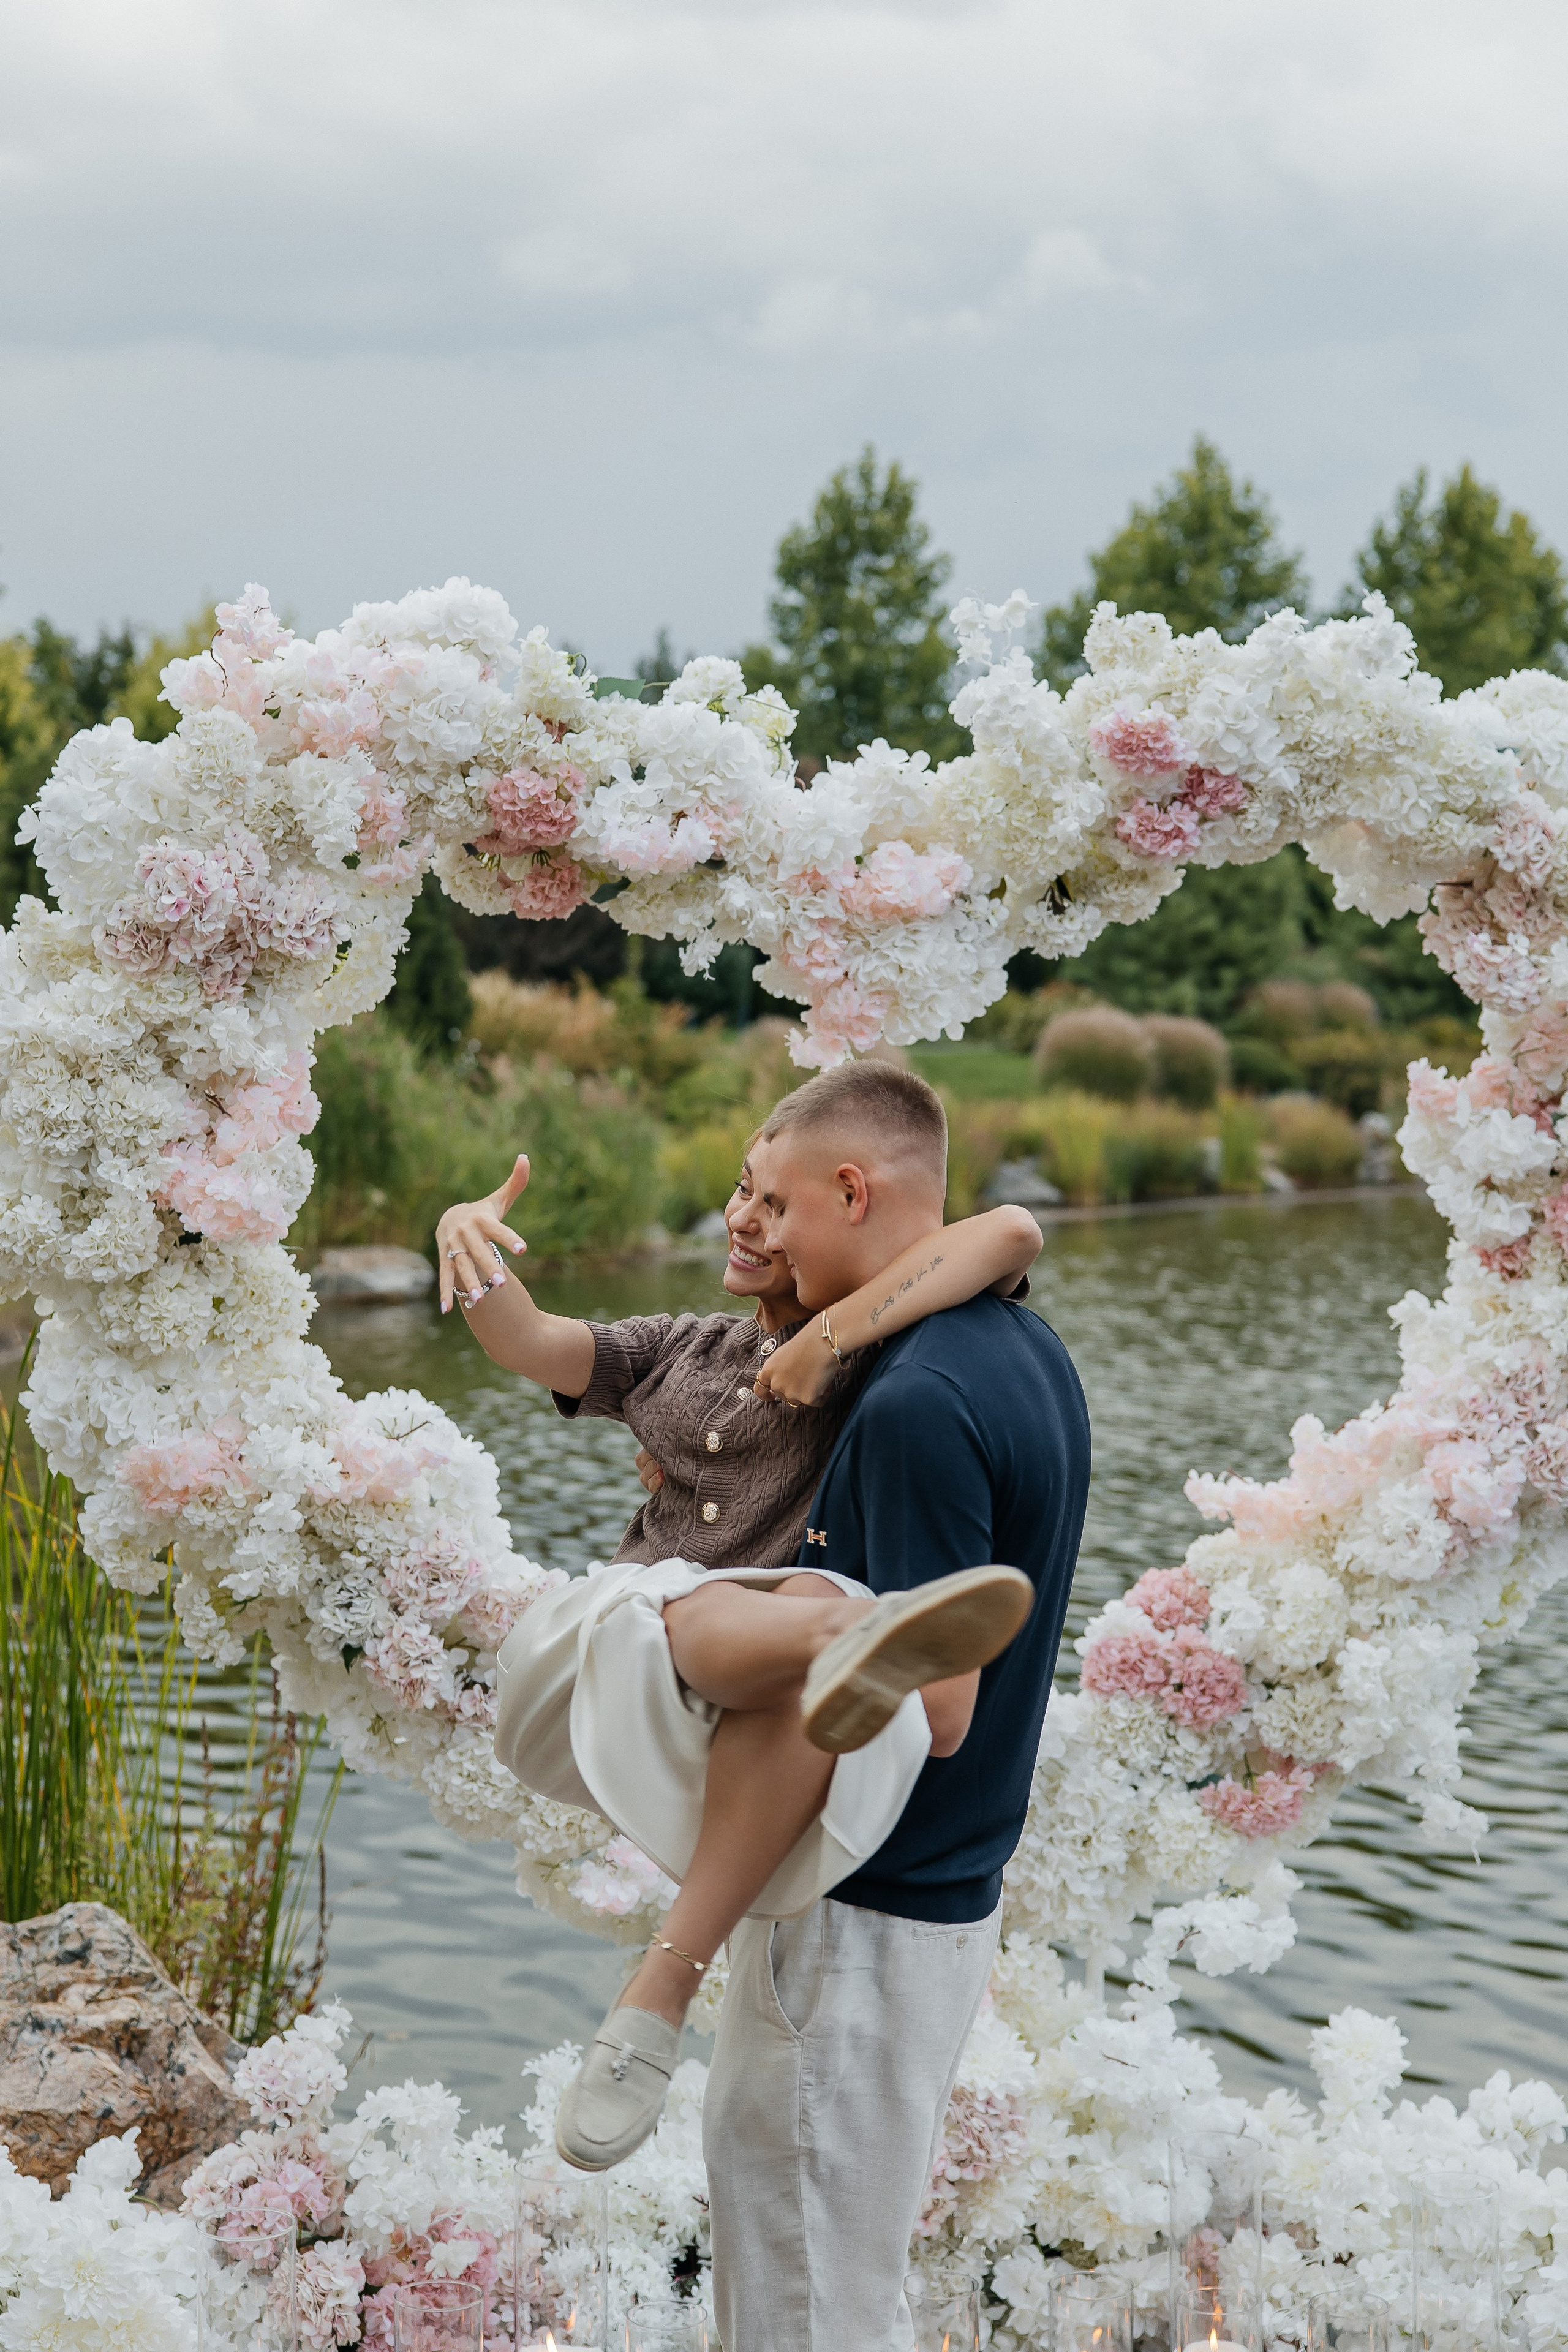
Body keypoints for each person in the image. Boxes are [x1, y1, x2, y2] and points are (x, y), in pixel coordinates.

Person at [435, 1114, 1043, 2165]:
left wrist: (833, 1333)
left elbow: (1012, 1232)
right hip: (616, 1656)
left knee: (800, 1608)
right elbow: (529, 1341)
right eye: (740, 1192)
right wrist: (467, 1236)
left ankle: (659, 1993)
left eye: (773, 1203)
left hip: (753, 1675)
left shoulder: (868, 1363)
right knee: (701, 1605)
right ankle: (864, 1629)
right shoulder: (672, 1349)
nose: (745, 1220)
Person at [681, 1061, 1091, 2352]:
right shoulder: (1020, 1348)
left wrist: (710, 1650)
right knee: (837, 2283)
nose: (760, 1238)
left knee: (804, 2306)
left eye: (779, 1208)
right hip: (935, 1907)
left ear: (851, 1191)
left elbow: (940, 1704)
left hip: (862, 1921)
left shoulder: (915, 1405)